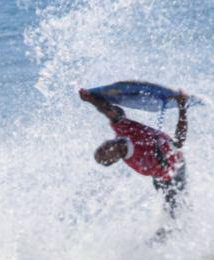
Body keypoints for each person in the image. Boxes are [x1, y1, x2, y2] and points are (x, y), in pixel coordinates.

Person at [79, 86, 190, 220]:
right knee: (175, 214)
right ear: (114, 159)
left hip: (165, 164)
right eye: (104, 152)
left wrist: (91, 99)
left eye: (100, 148)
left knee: (177, 210)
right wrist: (182, 107)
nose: (104, 146)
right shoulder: (142, 162)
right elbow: (179, 142)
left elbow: (111, 113)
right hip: (171, 176)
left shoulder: (123, 129)